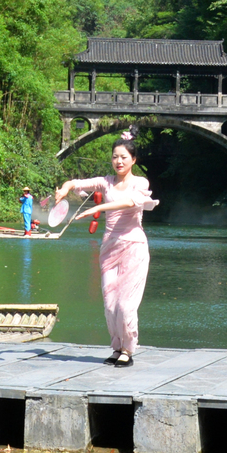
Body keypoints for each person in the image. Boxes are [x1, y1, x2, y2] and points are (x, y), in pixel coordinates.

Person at [54, 128, 158, 368]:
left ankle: (128, 350)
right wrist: (64, 189)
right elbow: (74, 182)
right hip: (109, 248)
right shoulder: (105, 182)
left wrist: (99, 209)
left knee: (125, 304)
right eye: (114, 157)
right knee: (110, 303)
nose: (118, 161)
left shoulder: (140, 182)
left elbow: (132, 202)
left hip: (134, 246)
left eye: (123, 157)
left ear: (133, 160)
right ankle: (116, 346)